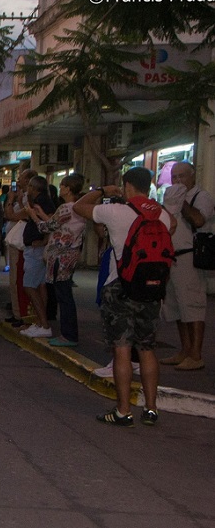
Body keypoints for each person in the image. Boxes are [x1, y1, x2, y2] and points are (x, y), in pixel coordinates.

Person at [73, 168, 174, 426]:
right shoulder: (160, 214)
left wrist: (103, 191)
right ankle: (151, 409)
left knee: (122, 349)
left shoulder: (115, 211)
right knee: (147, 348)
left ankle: (123, 410)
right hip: (152, 288)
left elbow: (79, 206)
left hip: (121, 286)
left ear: (127, 186)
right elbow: (170, 226)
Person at [159, 161, 214, 370]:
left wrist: (181, 202)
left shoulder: (203, 197)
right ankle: (185, 350)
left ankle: (196, 354)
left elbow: (199, 220)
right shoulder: (172, 198)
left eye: (182, 176)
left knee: (193, 306)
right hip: (172, 257)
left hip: (190, 257)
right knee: (177, 308)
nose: (178, 180)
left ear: (193, 176)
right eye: (174, 177)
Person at [29, 173, 86, 347]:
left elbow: (48, 226)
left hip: (61, 256)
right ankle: (68, 333)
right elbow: (57, 224)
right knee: (64, 294)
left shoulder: (66, 208)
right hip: (70, 255)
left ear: (69, 189)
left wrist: (34, 215)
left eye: (62, 185)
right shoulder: (79, 208)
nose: (60, 188)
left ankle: (68, 334)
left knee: (64, 296)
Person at [19, 175, 56, 338]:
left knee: (29, 285)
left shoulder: (41, 202)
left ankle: (44, 323)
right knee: (40, 286)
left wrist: (43, 241)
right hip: (36, 247)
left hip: (36, 249)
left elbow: (48, 223)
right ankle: (41, 322)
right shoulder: (44, 200)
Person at [3, 169, 37, 328]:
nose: (19, 179)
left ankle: (22, 314)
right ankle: (18, 312)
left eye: (22, 177)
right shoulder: (22, 198)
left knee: (19, 280)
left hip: (21, 245)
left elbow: (11, 215)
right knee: (15, 280)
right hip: (16, 243)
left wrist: (10, 200)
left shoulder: (27, 201)